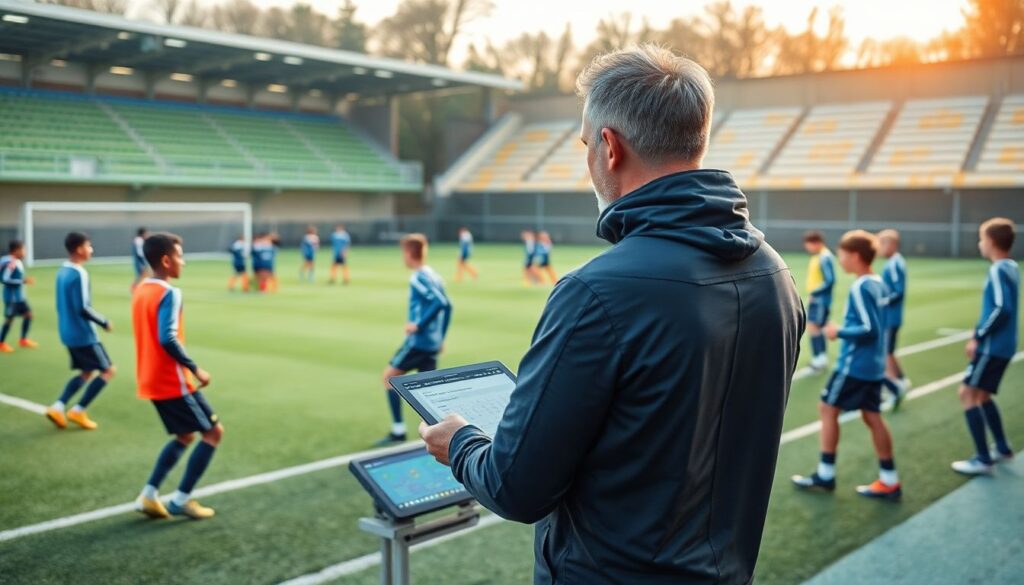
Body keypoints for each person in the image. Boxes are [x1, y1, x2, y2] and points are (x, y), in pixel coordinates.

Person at [419, 45, 803, 584]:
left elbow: (516, 487)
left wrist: (459, 441)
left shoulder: (597, 292)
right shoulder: (775, 274)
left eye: (585, 144)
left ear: (609, 146)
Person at [793, 230, 902, 500]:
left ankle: (825, 474)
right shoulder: (877, 282)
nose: (840, 259)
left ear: (854, 256)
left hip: (855, 365)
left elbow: (869, 328)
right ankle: (890, 479)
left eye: (842, 254)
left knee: (827, 408)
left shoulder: (861, 285)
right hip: (874, 365)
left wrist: (838, 332)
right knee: (872, 416)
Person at [132, 232, 221, 520]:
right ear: (167, 260)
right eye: (180, 256)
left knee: (185, 435)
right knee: (213, 433)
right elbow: (167, 337)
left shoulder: (142, 288)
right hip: (173, 380)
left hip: (150, 378)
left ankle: (148, 495)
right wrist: (195, 368)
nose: (183, 262)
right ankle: (181, 499)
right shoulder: (169, 292)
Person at [951, 217, 1018, 476]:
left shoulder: (998, 269)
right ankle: (1001, 447)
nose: (980, 243)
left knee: (967, 394)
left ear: (990, 242)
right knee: (982, 395)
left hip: (992, 346)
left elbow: (1002, 308)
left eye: (981, 238)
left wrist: (977, 336)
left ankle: (983, 458)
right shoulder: (1011, 266)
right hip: (1004, 345)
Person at [378, 234, 452, 446]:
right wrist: (441, 337)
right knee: (427, 390)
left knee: (389, 378)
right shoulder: (434, 275)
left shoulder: (418, 277)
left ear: (409, 253)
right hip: (431, 343)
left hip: (418, 342)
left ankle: (398, 430)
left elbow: (439, 302)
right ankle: (438, 435)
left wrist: (417, 325)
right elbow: (448, 306)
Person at [47, 232, 115, 431]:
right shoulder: (79, 272)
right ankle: (78, 409)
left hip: (67, 331)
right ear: (79, 249)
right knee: (108, 370)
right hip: (83, 333)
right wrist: (104, 322)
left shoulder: (62, 270)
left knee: (86, 371)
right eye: (89, 246)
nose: (91, 250)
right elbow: (83, 307)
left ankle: (58, 407)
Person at [878, 229, 909, 407]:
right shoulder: (894, 262)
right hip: (891, 317)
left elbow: (898, 290)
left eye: (882, 243)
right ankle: (901, 380)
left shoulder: (895, 264)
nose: (880, 248)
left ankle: (893, 390)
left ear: (892, 244)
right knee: (889, 352)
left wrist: (882, 300)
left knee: (886, 354)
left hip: (891, 317)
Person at [804, 230, 836, 372]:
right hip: (817, 299)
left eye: (809, 244)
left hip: (820, 300)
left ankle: (819, 359)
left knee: (814, 327)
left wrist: (815, 292)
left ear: (817, 243)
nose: (807, 247)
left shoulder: (825, 257)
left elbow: (830, 280)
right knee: (817, 327)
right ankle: (820, 358)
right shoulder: (818, 256)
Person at [0, 240, 37, 352]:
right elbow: (4, 279)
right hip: (11, 298)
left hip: (19, 297)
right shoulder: (11, 262)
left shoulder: (14, 261)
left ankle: (23, 339)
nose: (24, 252)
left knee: (28, 315)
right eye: (23, 249)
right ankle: (1, 343)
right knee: (9, 319)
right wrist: (23, 281)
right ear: (16, 251)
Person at [131, 227, 150, 292]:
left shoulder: (137, 240)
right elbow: (140, 253)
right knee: (141, 276)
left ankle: (136, 288)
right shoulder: (139, 241)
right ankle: (134, 289)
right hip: (140, 262)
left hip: (139, 262)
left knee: (141, 276)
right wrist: (143, 263)